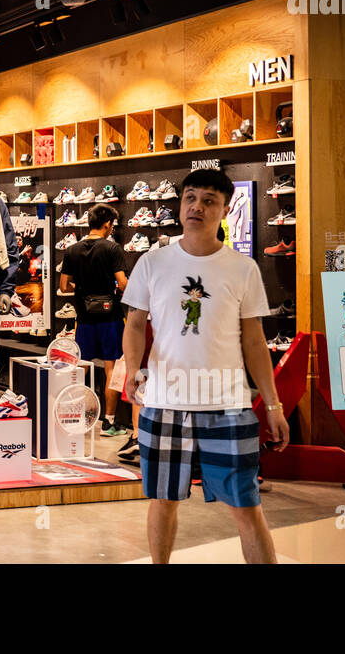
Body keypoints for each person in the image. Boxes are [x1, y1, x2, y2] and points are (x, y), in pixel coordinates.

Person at [121, 169, 289, 564]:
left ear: (225, 210)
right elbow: (133, 325)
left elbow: (254, 341)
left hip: (228, 406)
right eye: (190, 197)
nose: (197, 206)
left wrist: (274, 404)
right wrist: (132, 370)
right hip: (164, 402)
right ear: (180, 205)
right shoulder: (153, 262)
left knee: (246, 506)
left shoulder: (242, 268)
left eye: (208, 200)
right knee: (163, 500)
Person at [58, 203, 131, 437]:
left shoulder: (71, 250)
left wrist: (82, 288)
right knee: (112, 367)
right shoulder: (112, 249)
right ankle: (109, 423)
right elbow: (122, 283)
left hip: (84, 318)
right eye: (112, 226)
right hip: (110, 317)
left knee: (80, 368)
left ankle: (75, 415)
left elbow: (63, 286)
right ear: (107, 224)